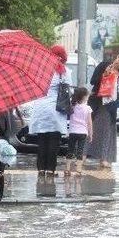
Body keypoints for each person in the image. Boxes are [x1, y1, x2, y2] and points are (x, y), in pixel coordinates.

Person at [29, 45, 72, 177]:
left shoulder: (40, 69)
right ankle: (50, 170)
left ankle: (41, 169)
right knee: (54, 140)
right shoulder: (65, 72)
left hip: (40, 109)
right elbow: (68, 91)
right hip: (56, 110)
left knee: (42, 140)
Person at [84, 51, 119, 168]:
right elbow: (93, 81)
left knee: (106, 130)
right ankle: (83, 155)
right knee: (90, 127)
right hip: (96, 102)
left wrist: (114, 77)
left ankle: (104, 158)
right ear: (117, 56)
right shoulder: (103, 65)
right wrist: (105, 74)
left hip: (109, 105)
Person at [65, 86, 92, 176]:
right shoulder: (87, 108)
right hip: (82, 133)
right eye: (87, 96)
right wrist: (91, 134)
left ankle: (67, 169)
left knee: (70, 150)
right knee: (80, 151)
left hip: (72, 132)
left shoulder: (72, 106)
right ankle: (78, 170)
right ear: (84, 97)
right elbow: (89, 123)